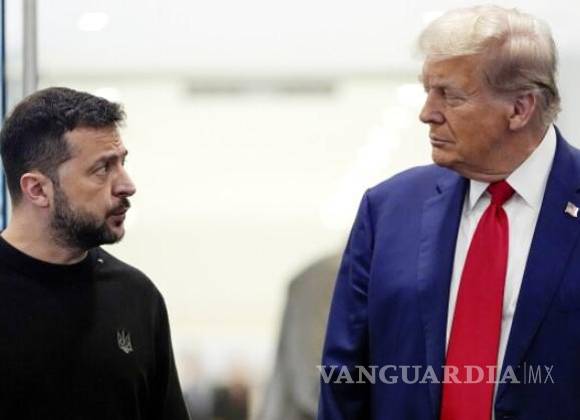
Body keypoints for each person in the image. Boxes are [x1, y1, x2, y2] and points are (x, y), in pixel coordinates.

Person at [319, 5, 580, 420]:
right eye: (428, 91)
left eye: (450, 95)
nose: (427, 113)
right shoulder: (387, 212)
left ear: (519, 108)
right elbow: (344, 382)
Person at [0, 87, 190, 420]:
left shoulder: (137, 298)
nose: (127, 185)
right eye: (102, 169)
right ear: (38, 189)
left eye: (122, 162)